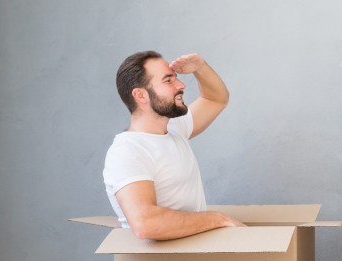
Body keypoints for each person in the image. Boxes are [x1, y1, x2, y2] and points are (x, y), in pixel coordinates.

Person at [103, 51, 243, 240]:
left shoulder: (175, 129)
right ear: (141, 95)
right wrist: (218, 219)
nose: (181, 85)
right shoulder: (128, 152)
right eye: (168, 81)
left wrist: (200, 67)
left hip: (192, 260)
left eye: (176, 78)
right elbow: (146, 224)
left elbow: (216, 99)